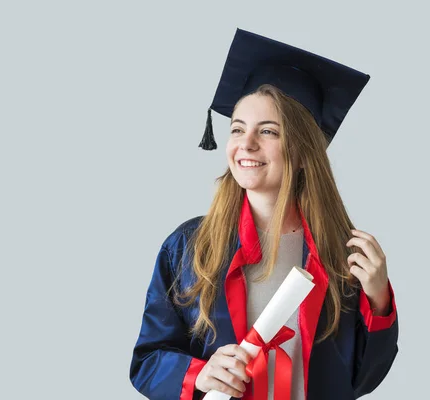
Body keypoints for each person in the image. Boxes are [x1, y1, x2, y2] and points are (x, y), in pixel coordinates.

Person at [129, 28, 399, 400]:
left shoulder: (342, 255)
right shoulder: (188, 248)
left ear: (304, 152)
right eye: (237, 129)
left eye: (268, 131)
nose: (246, 144)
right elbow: (147, 361)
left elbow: (362, 379)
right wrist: (201, 373)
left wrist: (379, 300)